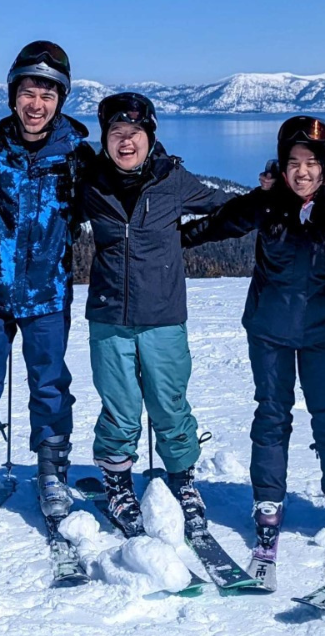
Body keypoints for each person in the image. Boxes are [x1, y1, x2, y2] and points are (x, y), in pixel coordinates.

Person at [182, 116, 325, 559]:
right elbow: (216, 225)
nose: (302, 171)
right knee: (272, 414)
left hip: (322, 328)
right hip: (269, 328)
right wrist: (164, 242)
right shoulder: (268, 202)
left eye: (312, 163)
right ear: (281, 167)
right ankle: (268, 497)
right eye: (293, 162)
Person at [0, 41, 95, 527]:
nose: (36, 104)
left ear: (61, 100)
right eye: (29, 92)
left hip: (47, 292)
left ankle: (51, 473)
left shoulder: (76, 152)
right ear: (13, 94)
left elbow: (119, 190)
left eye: (48, 95)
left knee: (50, 386)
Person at [79, 92, 229, 533]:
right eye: (117, 134)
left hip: (163, 315)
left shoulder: (173, 179)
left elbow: (224, 206)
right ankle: (118, 482)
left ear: (150, 137)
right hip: (109, 317)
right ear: (105, 139)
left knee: (169, 404)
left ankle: (182, 480)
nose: (126, 143)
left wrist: (187, 238)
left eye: (135, 134)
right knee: (120, 407)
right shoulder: (90, 182)